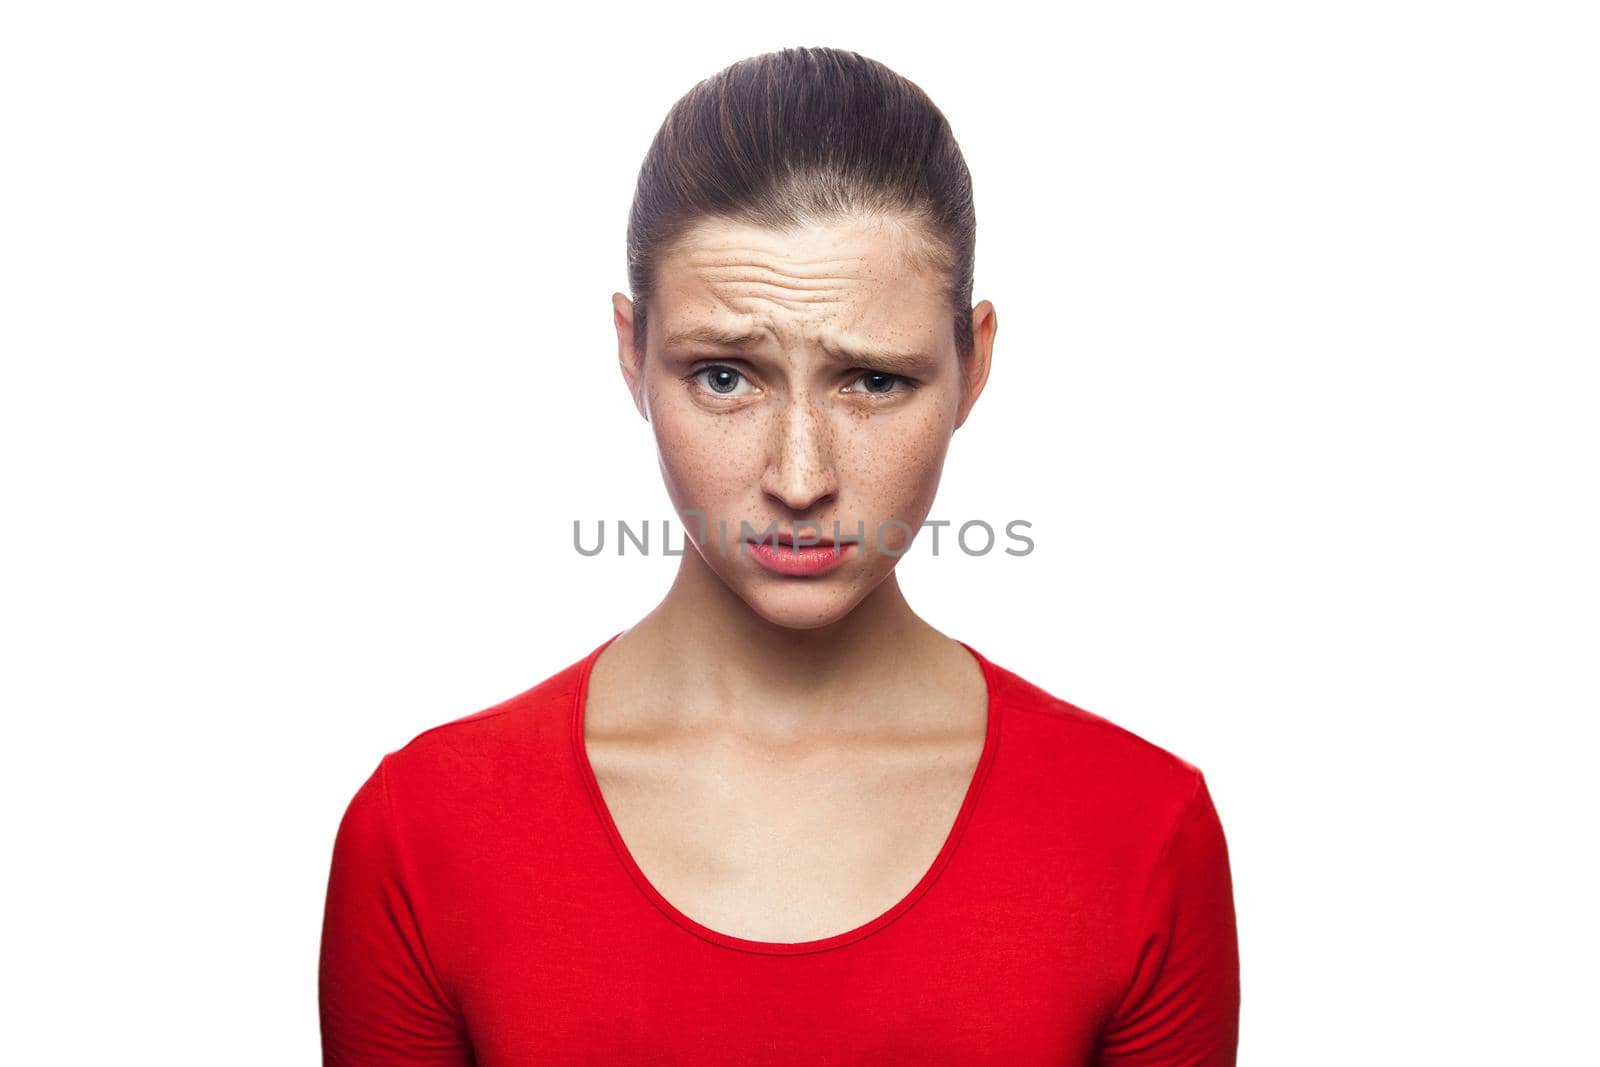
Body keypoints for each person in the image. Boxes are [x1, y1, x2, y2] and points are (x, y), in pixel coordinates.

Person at [318, 45, 1239, 1065]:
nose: (799, 479)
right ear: (631, 353)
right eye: (723, 376)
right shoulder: (426, 833)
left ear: (973, 363)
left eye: (872, 382)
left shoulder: (1137, 833)